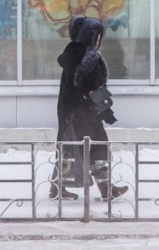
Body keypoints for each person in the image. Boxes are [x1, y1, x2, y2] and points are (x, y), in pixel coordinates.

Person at [49, 15, 128, 200]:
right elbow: (86, 87)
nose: (99, 39)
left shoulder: (80, 53)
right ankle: (105, 190)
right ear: (88, 35)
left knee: (74, 149)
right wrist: (103, 109)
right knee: (88, 149)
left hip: (82, 112)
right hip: (80, 113)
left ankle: (60, 189)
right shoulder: (83, 54)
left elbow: (87, 87)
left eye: (100, 35)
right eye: (96, 34)